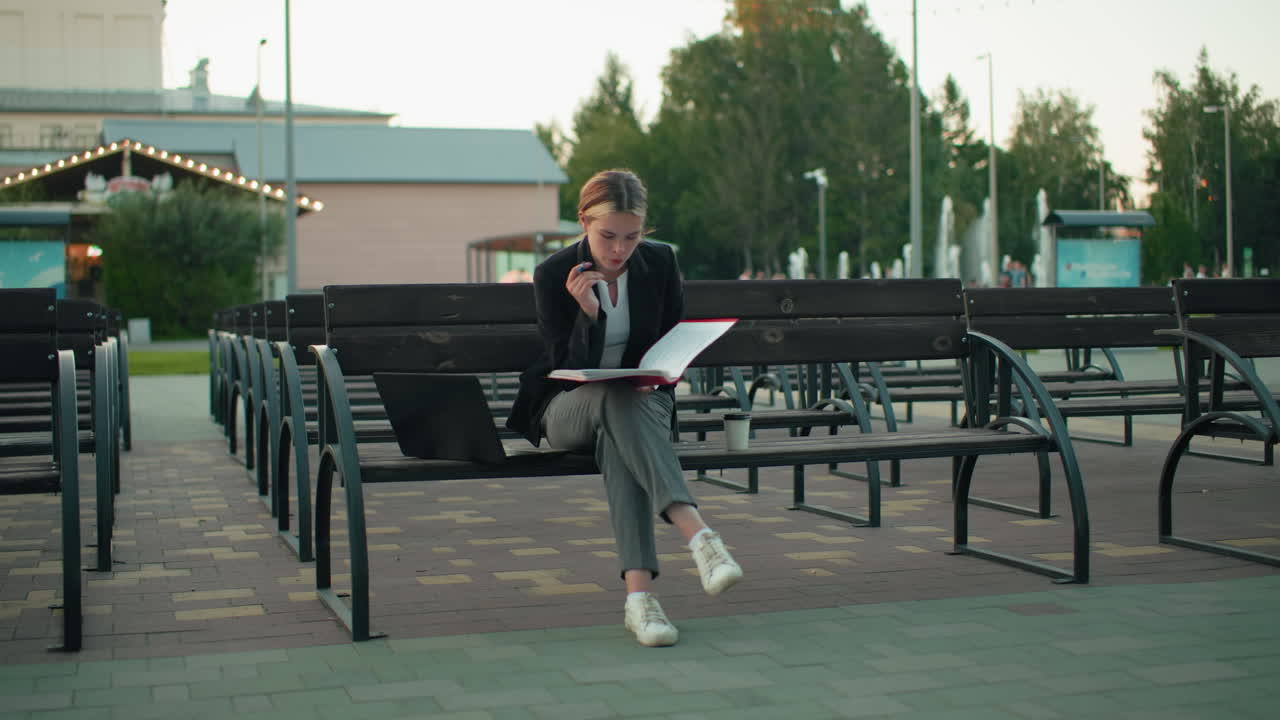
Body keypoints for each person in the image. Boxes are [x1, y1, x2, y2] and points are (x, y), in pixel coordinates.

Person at [506, 169, 742, 647]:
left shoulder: (659, 263)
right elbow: (561, 365)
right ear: (584, 223)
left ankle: (641, 602)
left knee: (621, 433)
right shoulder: (555, 274)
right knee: (612, 401)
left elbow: (671, 343)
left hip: (642, 402)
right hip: (568, 407)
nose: (619, 249)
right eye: (607, 236)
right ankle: (697, 535)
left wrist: (659, 375)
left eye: (632, 237)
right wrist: (587, 315)